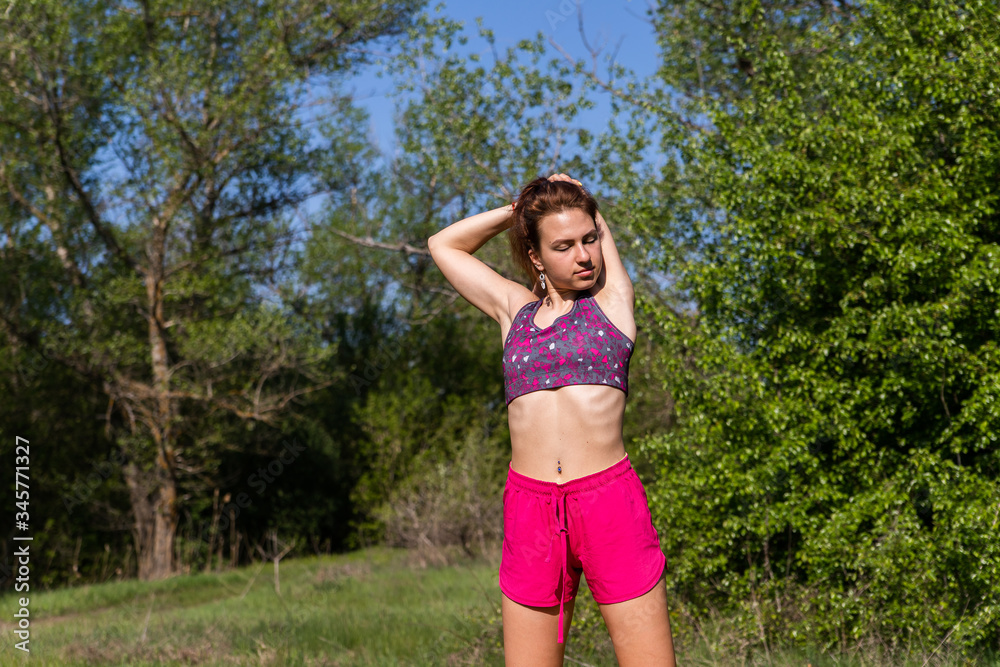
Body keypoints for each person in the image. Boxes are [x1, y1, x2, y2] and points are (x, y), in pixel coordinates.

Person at [427, 173, 676, 666]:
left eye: (589, 240)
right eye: (563, 246)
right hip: (531, 508)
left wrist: (582, 200)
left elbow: (597, 235)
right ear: (536, 257)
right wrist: (517, 210)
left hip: (608, 502)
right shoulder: (513, 311)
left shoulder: (612, 303)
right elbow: (443, 245)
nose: (583, 256)